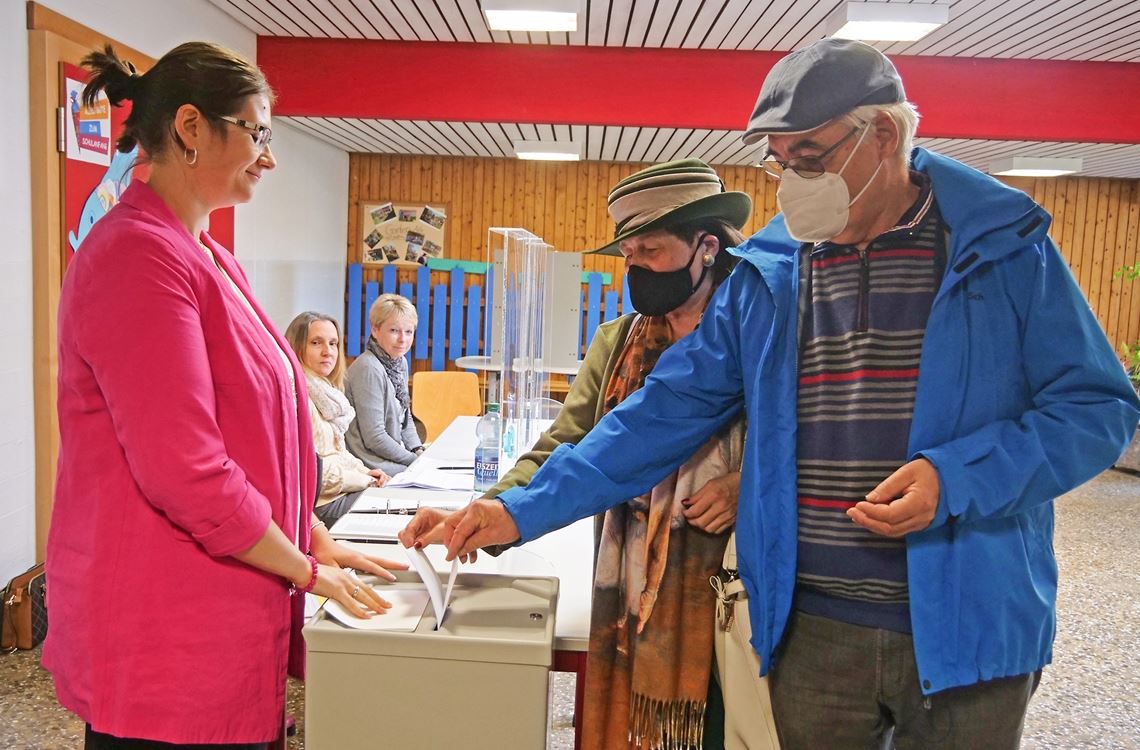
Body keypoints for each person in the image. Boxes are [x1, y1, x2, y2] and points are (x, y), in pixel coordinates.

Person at [424, 39, 1140, 750]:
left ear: (882, 134)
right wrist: (520, 509)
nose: (791, 180)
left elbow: (1096, 408)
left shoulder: (1002, 248)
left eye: (810, 157)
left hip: (970, 626)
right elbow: (658, 414)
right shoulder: (772, 274)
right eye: (779, 160)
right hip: (812, 628)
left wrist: (958, 476)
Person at [45, 43, 406, 749]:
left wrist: (316, 539)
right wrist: (305, 569)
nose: (268, 157)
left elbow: (259, 436)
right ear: (189, 128)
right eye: (257, 133)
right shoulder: (136, 257)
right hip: (166, 636)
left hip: (228, 613)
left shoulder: (210, 256)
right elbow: (185, 469)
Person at [403, 159, 752, 749]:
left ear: (708, 246)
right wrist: (486, 511)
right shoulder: (618, 343)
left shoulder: (753, 334)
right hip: (635, 598)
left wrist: (748, 483)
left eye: (653, 250)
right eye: (628, 254)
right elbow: (565, 445)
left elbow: (805, 439)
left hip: (736, 593)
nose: (637, 267)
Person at [285, 311, 391, 526]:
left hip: (340, 491)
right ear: (296, 348)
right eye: (316, 343)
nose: (328, 352)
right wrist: (365, 481)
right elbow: (313, 473)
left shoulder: (325, 391)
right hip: (321, 506)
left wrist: (365, 471)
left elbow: (336, 452)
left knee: (406, 502)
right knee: (405, 512)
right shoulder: (297, 397)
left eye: (333, 344)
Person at [345, 293, 424, 474]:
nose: (403, 339)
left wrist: (418, 450)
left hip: (393, 455)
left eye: (409, 332)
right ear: (375, 330)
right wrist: (414, 461)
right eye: (394, 331)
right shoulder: (369, 368)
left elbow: (406, 418)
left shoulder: (399, 362)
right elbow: (375, 438)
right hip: (370, 462)